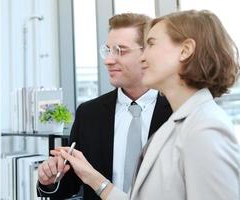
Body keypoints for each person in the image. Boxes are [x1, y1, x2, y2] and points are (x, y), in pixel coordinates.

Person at [56, 10, 240, 200]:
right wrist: (92, 178)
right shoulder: (178, 124)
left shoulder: (206, 128)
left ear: (185, 50)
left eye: (151, 44)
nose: (143, 57)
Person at [37, 13, 172, 199]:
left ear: (147, 53)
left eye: (121, 51)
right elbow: (69, 186)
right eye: (108, 50)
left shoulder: (177, 113)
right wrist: (49, 179)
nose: (108, 60)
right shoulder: (89, 114)